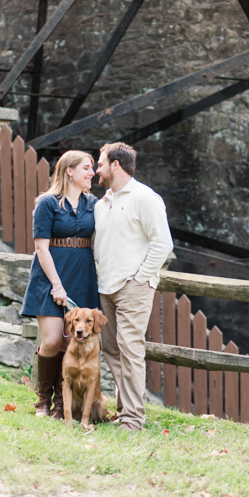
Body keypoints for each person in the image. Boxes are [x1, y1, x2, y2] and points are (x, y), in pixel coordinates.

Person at [93, 142, 173, 432]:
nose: (96, 170)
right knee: (112, 350)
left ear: (116, 165)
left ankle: (134, 420)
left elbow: (163, 243)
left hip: (132, 287)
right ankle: (124, 410)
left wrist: (140, 278)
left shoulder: (146, 198)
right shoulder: (102, 203)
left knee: (130, 350)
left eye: (100, 164)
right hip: (106, 287)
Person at [20, 151, 101, 419]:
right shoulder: (47, 203)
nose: (93, 173)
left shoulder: (94, 203)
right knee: (53, 340)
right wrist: (57, 285)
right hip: (51, 277)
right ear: (69, 171)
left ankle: (60, 406)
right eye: (87, 168)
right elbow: (41, 249)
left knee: (71, 343)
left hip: (82, 276)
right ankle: (42, 401)